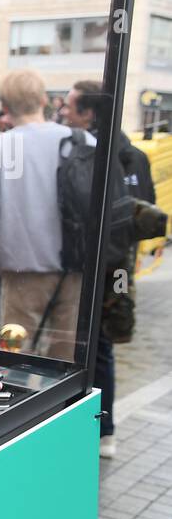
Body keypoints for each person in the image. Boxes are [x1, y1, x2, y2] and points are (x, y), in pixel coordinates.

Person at [59, 79, 157, 459]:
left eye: (70, 106)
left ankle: (89, 424)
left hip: (92, 265)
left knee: (84, 343)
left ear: (88, 113)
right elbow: (146, 210)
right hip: (120, 266)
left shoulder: (92, 154)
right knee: (103, 347)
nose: (64, 113)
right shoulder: (134, 153)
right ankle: (106, 430)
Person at [0, 70, 93, 361]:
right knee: (66, 362)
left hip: (21, 270)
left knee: (17, 362)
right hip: (76, 269)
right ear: (44, 99)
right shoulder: (83, 141)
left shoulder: (0, 147)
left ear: (6, 107)